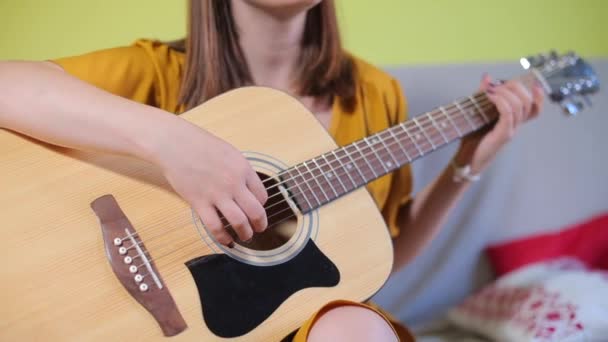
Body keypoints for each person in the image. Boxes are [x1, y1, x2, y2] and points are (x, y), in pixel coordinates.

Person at [0, 0, 544, 341]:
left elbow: (380, 257)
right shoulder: (157, 72)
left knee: (353, 329)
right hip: (159, 324)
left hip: (306, 323)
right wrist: (170, 139)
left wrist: (465, 165)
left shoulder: (376, 93)